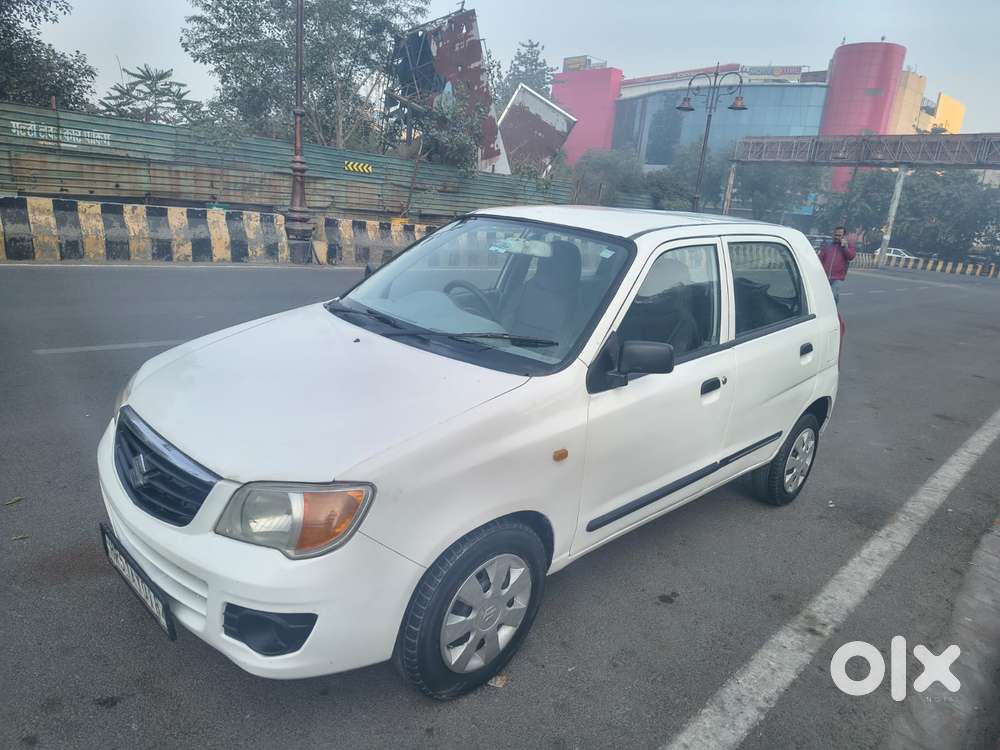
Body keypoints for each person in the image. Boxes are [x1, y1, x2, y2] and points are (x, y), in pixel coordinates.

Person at [818, 227, 856, 304]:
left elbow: (851, 256)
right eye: (835, 235)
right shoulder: (828, 246)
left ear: (844, 236)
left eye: (839, 235)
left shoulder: (849, 246)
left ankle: (832, 310)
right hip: (824, 276)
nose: (836, 237)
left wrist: (844, 247)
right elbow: (820, 258)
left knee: (831, 296)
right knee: (822, 296)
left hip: (837, 277)